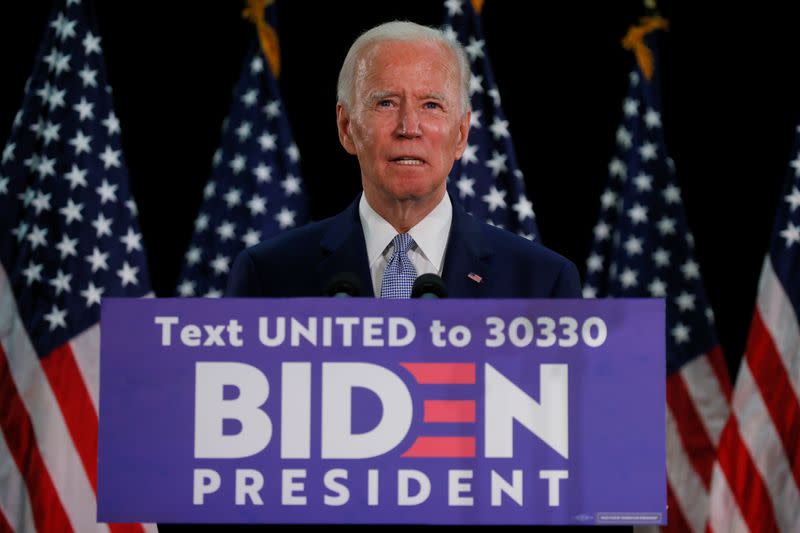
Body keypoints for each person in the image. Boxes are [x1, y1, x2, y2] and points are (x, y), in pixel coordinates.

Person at [226, 20, 580, 299]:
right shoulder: (267, 276)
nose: (409, 128)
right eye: (386, 103)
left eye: (431, 105)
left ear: (461, 134)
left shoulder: (542, 283)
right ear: (347, 127)